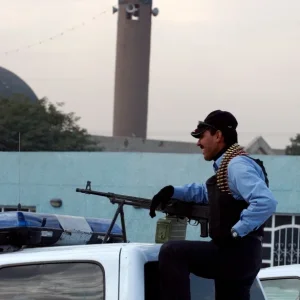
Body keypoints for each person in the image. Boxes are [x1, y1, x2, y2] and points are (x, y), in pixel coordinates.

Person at [149, 110, 278, 300]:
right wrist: (171, 191)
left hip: (235, 253)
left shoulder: (236, 165)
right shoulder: (229, 165)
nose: (198, 142)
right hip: (244, 255)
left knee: (172, 252)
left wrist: (236, 231)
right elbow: (205, 192)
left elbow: (266, 202)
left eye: (202, 136)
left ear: (218, 136)